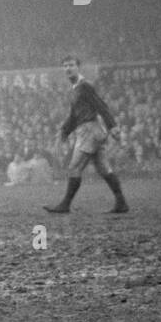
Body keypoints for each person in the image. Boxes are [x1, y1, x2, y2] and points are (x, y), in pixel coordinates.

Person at [44, 56, 129, 214]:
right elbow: (74, 115)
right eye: (65, 66)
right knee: (104, 169)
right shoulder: (76, 89)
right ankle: (121, 202)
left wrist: (113, 126)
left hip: (89, 131)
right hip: (90, 131)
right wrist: (65, 130)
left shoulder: (85, 86)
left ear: (78, 67)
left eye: (71, 65)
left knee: (74, 167)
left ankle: (65, 204)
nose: (68, 68)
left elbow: (101, 105)